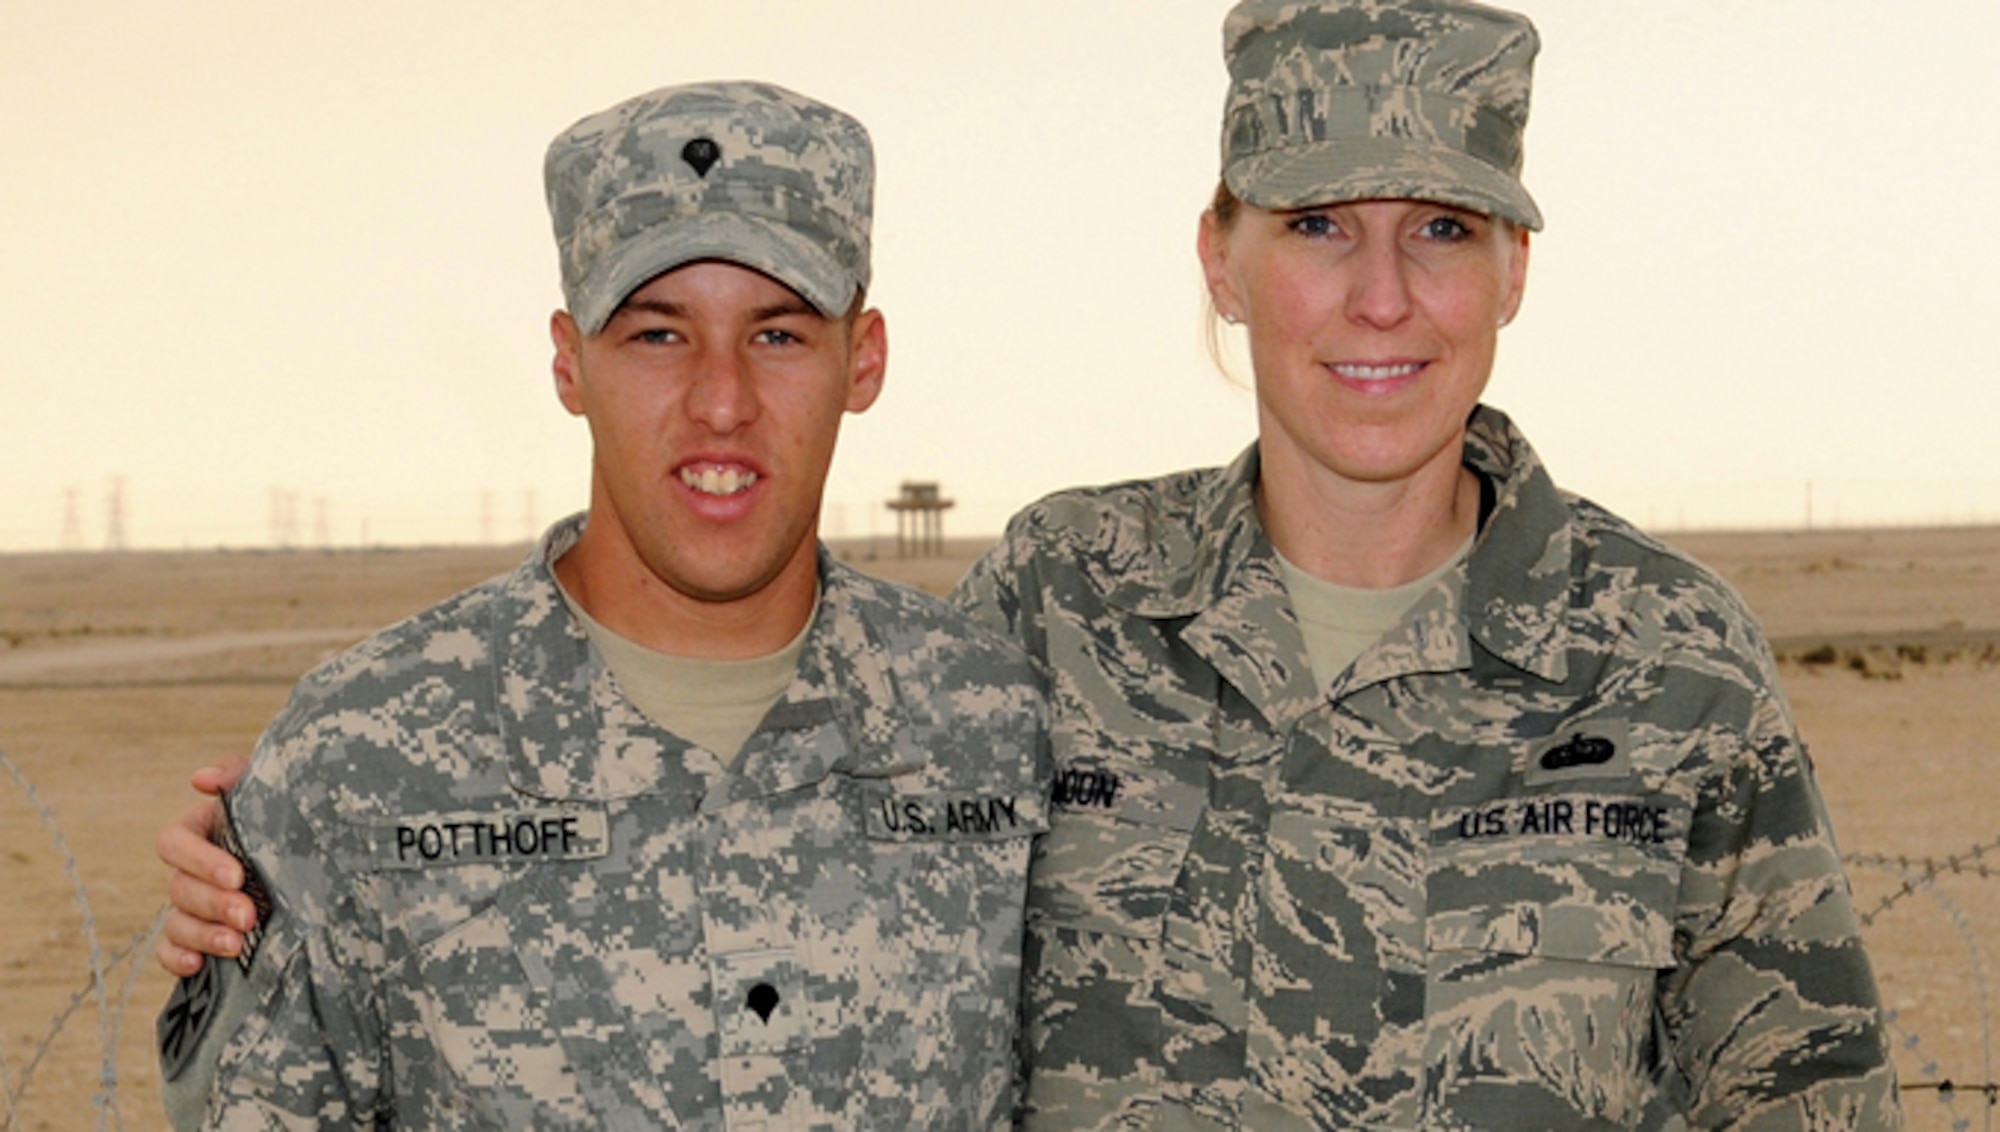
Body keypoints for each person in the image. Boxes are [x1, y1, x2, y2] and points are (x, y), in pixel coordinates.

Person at [159, 2, 1903, 1128]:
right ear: (1221, 260)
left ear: (1516, 267)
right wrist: (289, 849)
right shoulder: (1057, 611)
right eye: (1314, 228)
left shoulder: (1669, 660)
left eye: (1442, 229)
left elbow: (1811, 1096)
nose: (1382, 298)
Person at [152, 80, 1048, 1130]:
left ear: (864, 359)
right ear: (569, 363)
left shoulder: (990, 729)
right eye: (657, 335)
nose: (721, 401)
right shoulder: (356, 758)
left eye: (777, 335)